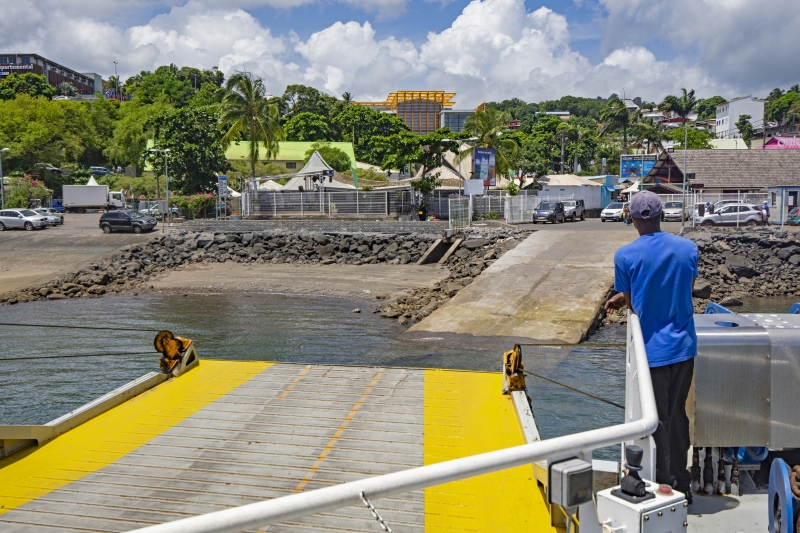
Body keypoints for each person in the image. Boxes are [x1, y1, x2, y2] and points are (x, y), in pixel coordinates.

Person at [604, 191, 698, 503]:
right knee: (678, 417)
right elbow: (677, 285)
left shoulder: (625, 256)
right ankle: (683, 483)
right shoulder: (688, 248)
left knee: (658, 423)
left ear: (630, 218)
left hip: (652, 352)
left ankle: (664, 487)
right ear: (662, 215)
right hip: (684, 348)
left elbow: (635, 306)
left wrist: (622, 297)